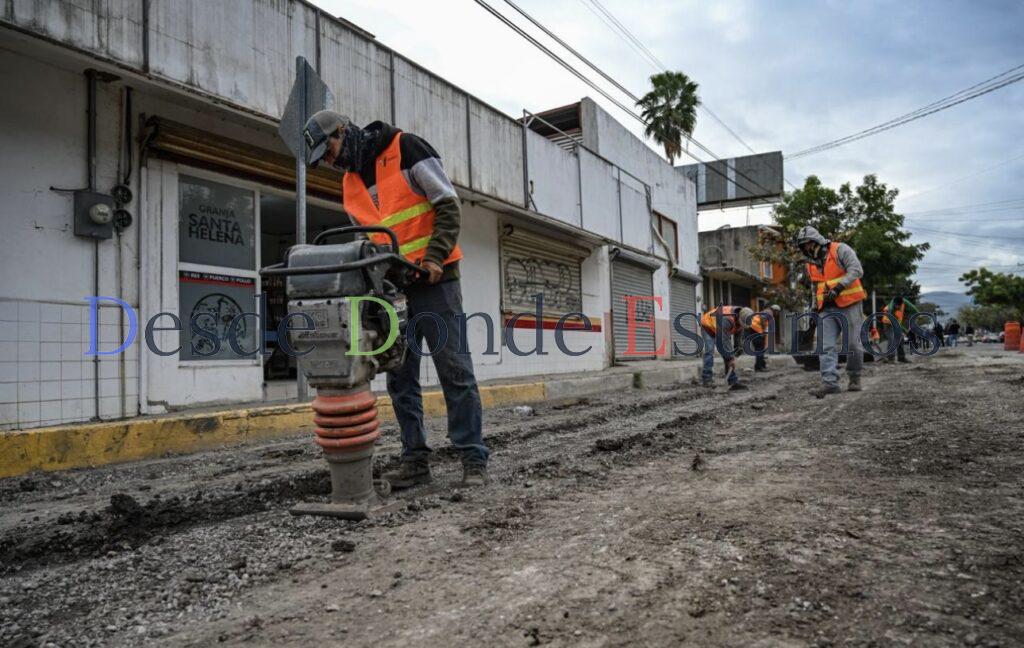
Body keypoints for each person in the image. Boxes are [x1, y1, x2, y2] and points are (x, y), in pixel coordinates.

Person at [302, 111, 490, 488]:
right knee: (400, 377)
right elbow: (368, 242)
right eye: (322, 158)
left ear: (343, 131)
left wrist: (435, 255)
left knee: (454, 369)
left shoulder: (405, 148)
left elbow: (447, 205)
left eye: (330, 149)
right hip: (393, 290)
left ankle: (472, 457)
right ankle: (415, 461)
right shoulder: (351, 182)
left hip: (436, 281)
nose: (330, 160)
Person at [794, 226, 868, 398]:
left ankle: (854, 378)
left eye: (807, 244)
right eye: (803, 246)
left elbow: (857, 270)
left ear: (816, 241)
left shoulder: (840, 249)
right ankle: (829, 383)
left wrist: (839, 287)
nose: (806, 248)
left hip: (850, 303)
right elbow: (815, 287)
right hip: (826, 308)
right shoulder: (810, 264)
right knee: (825, 345)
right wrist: (814, 309)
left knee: (853, 345)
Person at [699, 304, 756, 391]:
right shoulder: (727, 319)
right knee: (709, 351)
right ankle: (707, 379)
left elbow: (738, 337)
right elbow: (724, 341)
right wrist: (730, 358)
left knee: (728, 354)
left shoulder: (741, 320)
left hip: (721, 330)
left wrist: (738, 349)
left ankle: (732, 381)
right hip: (708, 327)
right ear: (739, 318)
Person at [881, 295, 918, 363]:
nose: (898, 307)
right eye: (897, 306)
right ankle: (890, 358)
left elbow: (913, 309)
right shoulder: (890, 309)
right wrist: (904, 330)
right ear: (894, 304)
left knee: (900, 339)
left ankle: (901, 358)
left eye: (899, 306)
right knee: (892, 339)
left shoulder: (904, 302)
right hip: (887, 324)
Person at [752, 304, 780, 372]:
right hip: (756, 329)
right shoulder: (769, 312)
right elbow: (763, 322)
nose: (777, 313)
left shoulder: (767, 311)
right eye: (777, 312)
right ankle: (759, 367)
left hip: (755, 329)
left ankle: (760, 365)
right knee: (760, 349)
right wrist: (763, 333)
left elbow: (765, 325)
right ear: (775, 310)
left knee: (759, 349)